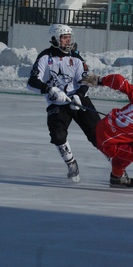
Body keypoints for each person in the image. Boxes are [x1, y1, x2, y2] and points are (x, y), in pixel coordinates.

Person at [27, 24, 101, 183]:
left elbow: (90, 79)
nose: (68, 41)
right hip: (57, 103)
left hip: (78, 100)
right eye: (64, 37)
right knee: (58, 134)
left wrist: (79, 95)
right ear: (55, 39)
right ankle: (71, 164)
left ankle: (116, 168)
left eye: (69, 37)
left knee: (98, 134)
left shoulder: (77, 57)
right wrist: (49, 89)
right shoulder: (45, 57)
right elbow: (31, 82)